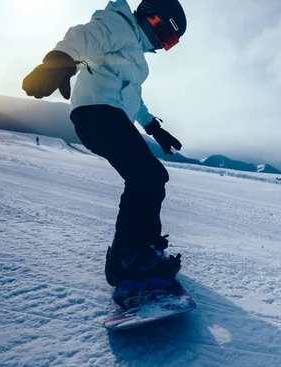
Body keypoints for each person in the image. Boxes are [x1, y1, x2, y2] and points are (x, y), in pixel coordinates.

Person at [22, 0, 186, 291]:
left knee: (154, 176)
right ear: (150, 15)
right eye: (164, 35)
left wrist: (154, 128)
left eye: (170, 43)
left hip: (110, 113)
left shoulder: (134, 57)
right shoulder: (120, 24)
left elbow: (133, 99)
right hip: (97, 112)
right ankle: (128, 258)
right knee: (144, 176)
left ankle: (144, 242)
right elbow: (85, 36)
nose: (162, 45)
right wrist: (58, 61)